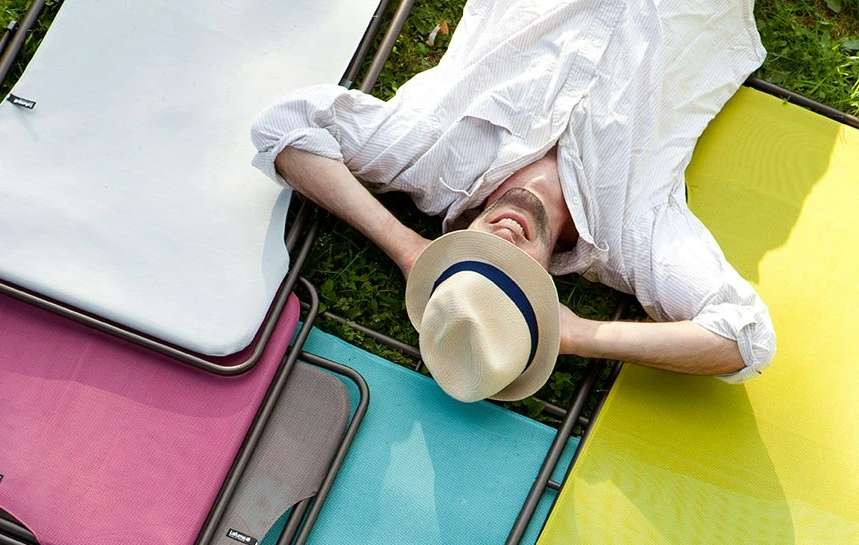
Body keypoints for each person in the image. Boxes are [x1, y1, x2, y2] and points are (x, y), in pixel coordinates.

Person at [251, 0, 776, 401]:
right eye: (512, 267)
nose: (502, 237)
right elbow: (746, 337)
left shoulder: (431, 158)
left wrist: (408, 248)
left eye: (477, 254)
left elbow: (286, 123)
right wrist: (578, 335)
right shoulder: (631, 236)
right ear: (543, 286)